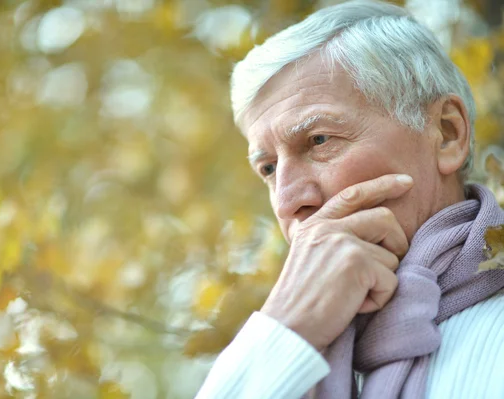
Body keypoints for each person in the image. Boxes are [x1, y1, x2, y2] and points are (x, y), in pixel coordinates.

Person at [195, 1, 504, 398]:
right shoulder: (281, 350)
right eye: (269, 169)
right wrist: (288, 326)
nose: (288, 201)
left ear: (446, 134)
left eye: (319, 140)